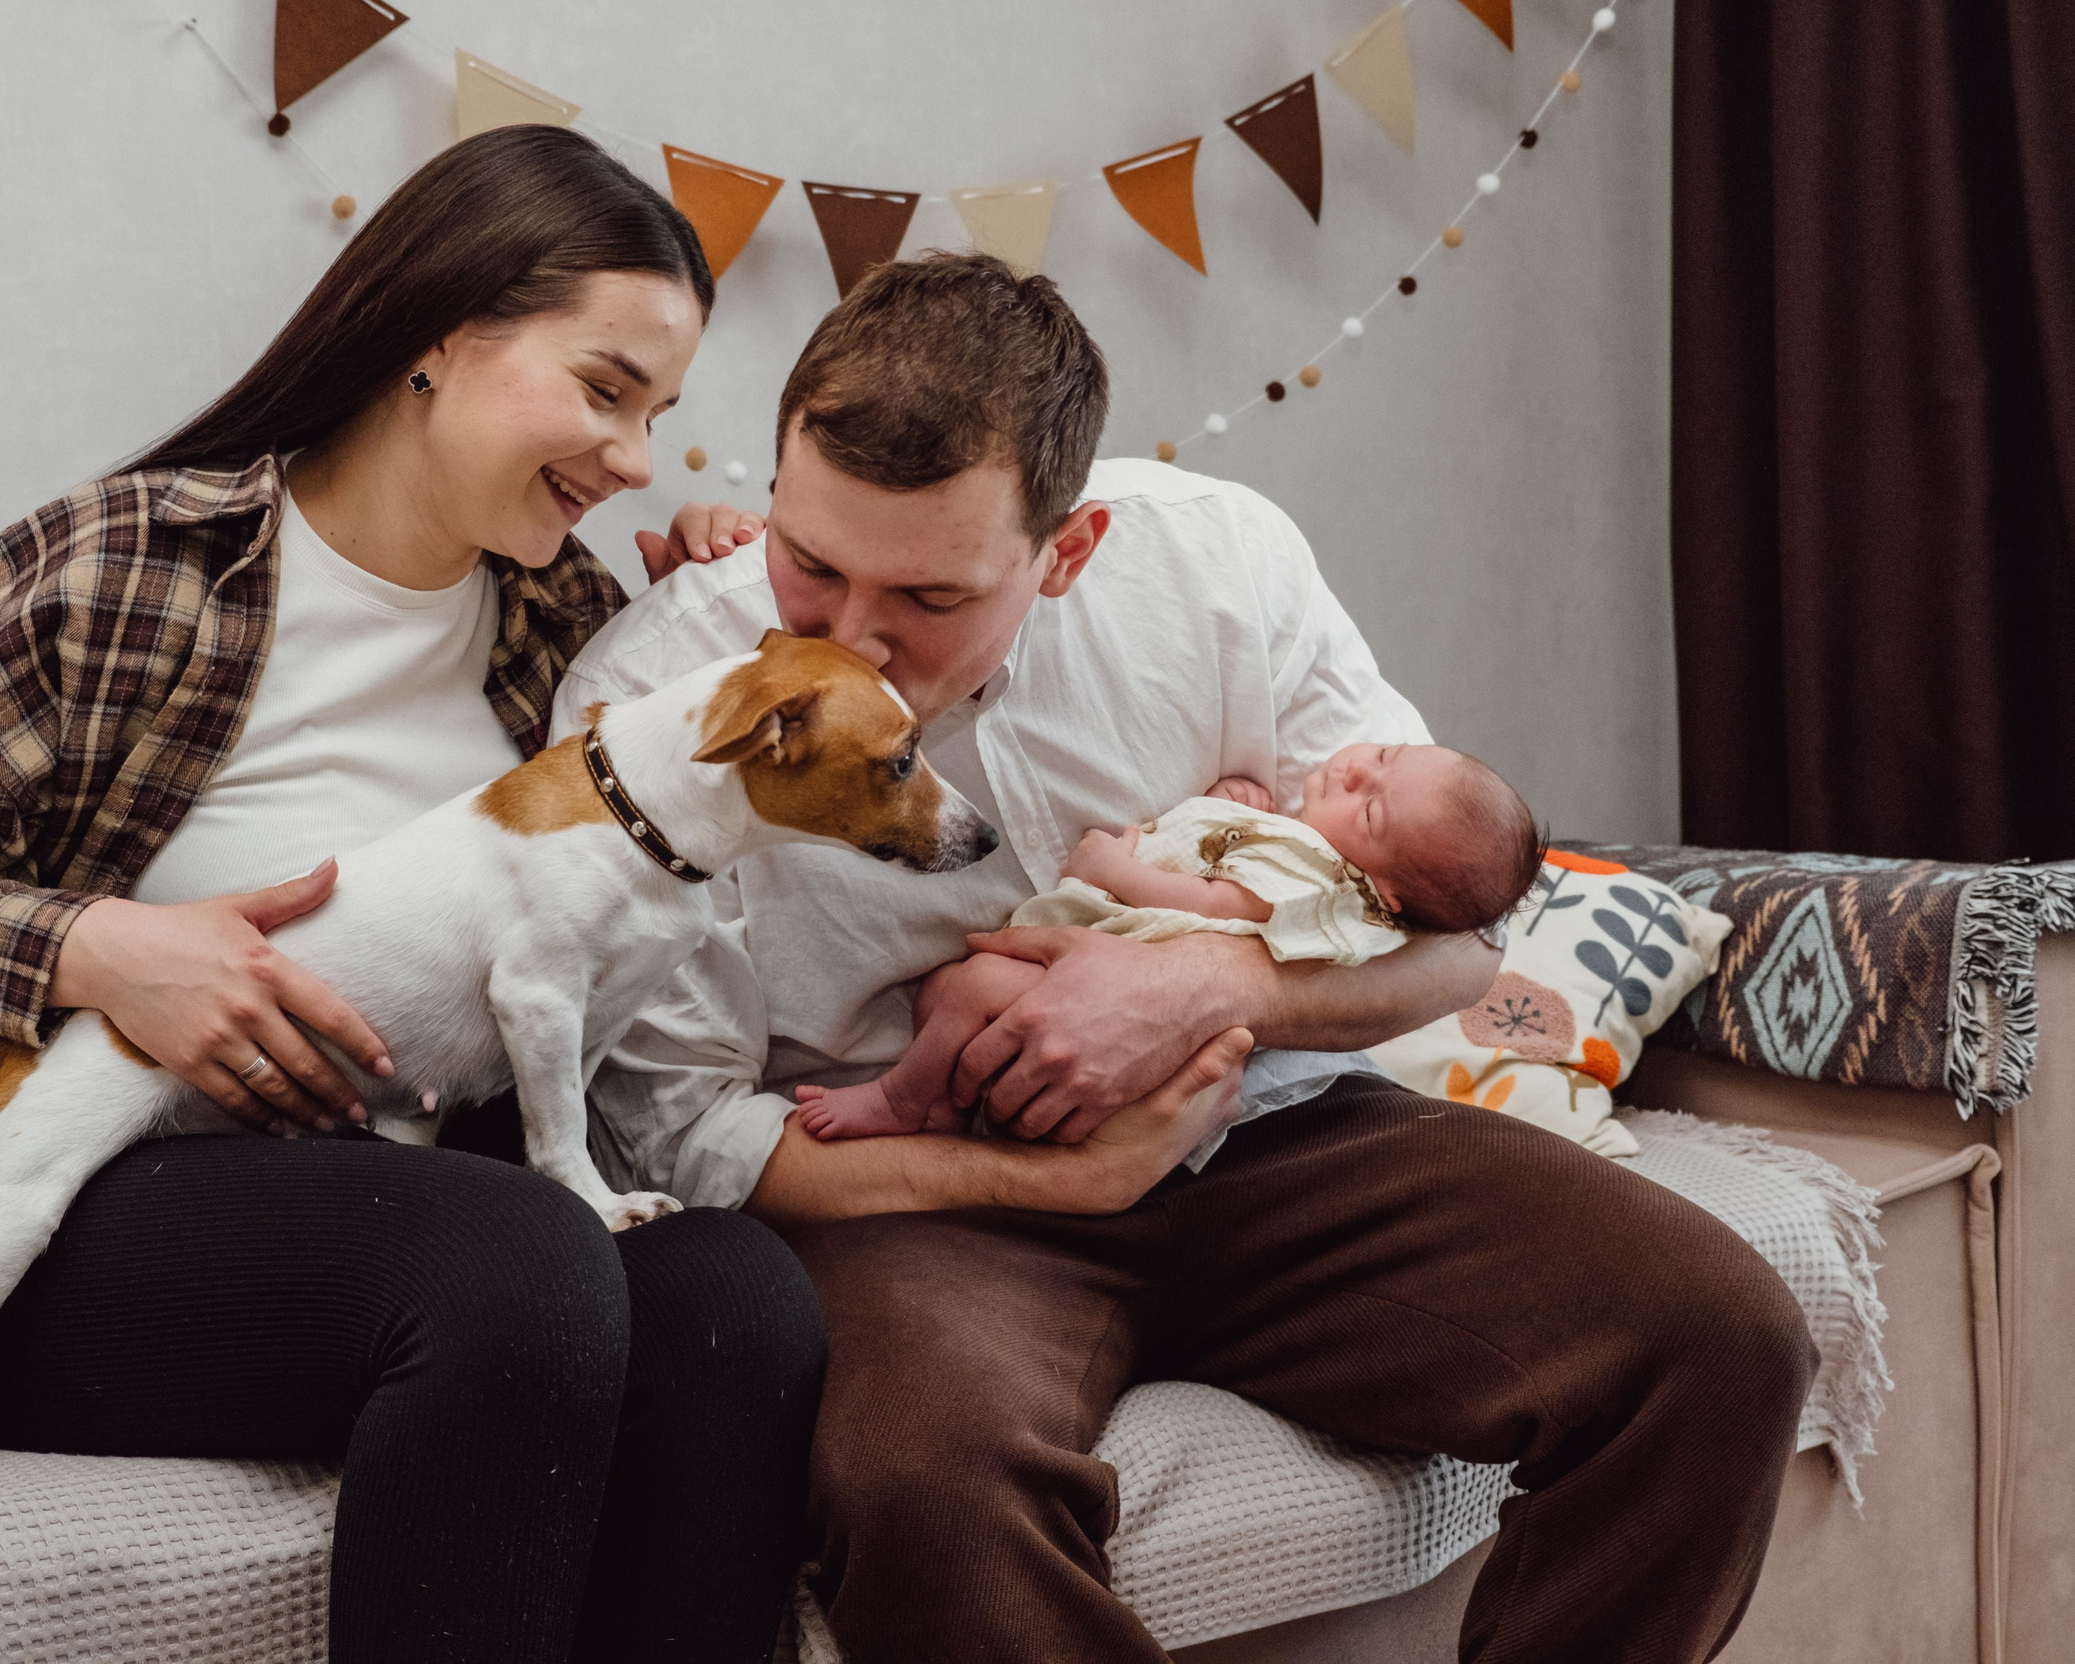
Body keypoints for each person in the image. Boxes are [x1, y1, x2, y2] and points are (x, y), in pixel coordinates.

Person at [553, 252, 1818, 1664]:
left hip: (1268, 1135)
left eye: (928, 595)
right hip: (910, 1202)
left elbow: (1461, 938)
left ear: (1068, 549)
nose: (852, 640)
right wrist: (1066, 1174)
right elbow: (688, 1132)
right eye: (811, 564)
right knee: (922, 1487)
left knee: (1722, 1332)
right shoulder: (641, 702)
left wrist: (1213, 986)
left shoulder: (1216, 561)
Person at [0, 125, 822, 1664]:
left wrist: (730, 587)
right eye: (607, 390)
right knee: (523, 1267)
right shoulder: (126, 572)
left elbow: (735, 778)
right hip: (99, 1200)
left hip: (419, 1186)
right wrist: (100, 947)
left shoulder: (574, 627)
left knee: (740, 1301)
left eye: (662, 415)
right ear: (442, 335)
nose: (638, 457)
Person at [795, 745, 1544, 1139]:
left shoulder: (1318, 880)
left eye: (1370, 809)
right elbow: (1231, 857)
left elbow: (1217, 901)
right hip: (1082, 976)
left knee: (972, 990)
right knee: (953, 993)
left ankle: (901, 1098)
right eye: (1383, 755)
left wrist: (1110, 866)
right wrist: (1237, 808)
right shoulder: (1307, 848)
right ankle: (948, 1107)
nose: (1352, 770)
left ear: (1385, 894)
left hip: (1109, 980)